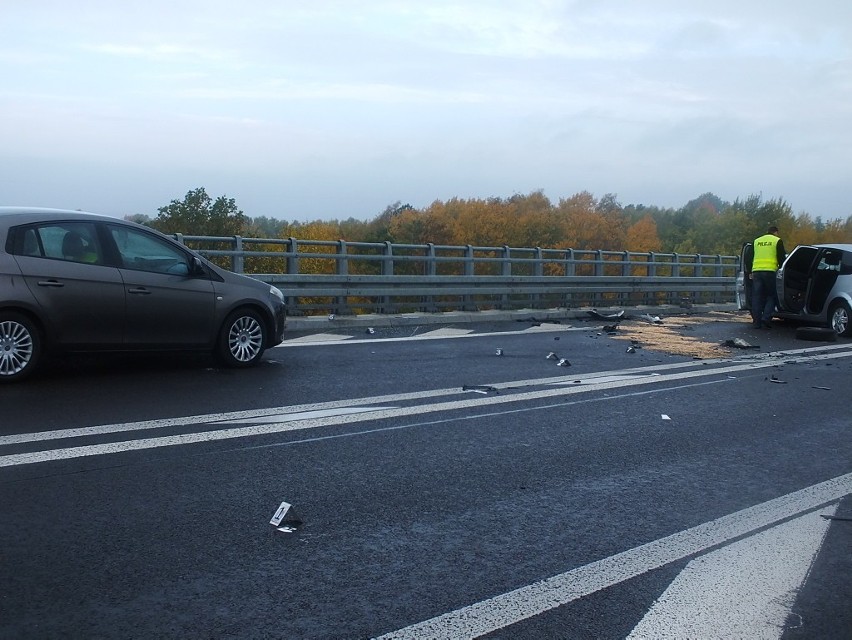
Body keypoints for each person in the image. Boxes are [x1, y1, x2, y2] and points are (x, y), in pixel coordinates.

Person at [750, 225, 786, 328]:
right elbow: (781, 258)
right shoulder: (777, 241)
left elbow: (750, 256)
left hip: (756, 271)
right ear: (776, 232)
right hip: (770, 271)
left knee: (756, 297)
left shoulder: (757, 241)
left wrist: (750, 270)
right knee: (772, 295)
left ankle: (756, 322)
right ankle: (766, 318)